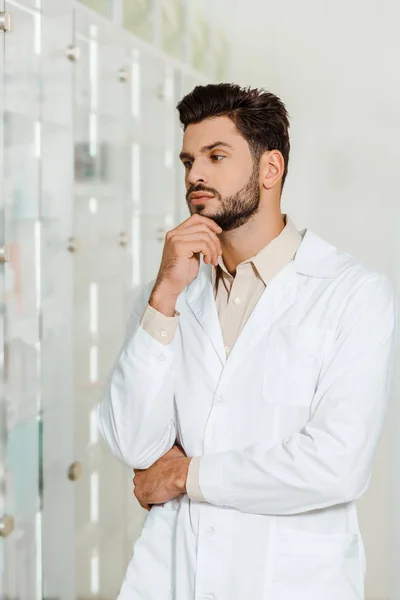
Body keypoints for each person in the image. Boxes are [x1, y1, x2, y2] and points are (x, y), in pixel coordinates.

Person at [96, 83, 397, 600]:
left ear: (270, 169)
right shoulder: (169, 292)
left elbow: (334, 466)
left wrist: (185, 475)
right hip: (173, 579)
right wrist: (165, 294)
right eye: (189, 159)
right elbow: (132, 443)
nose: (195, 175)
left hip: (292, 583)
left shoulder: (353, 293)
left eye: (216, 156)